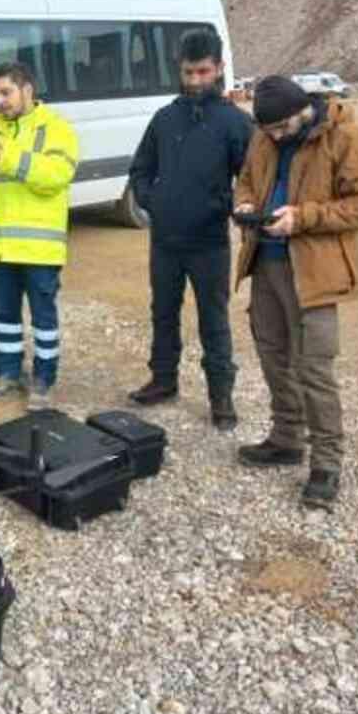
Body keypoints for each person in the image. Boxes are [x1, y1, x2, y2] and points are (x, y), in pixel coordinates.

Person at [232, 74, 358, 508]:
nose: (276, 137)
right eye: (268, 131)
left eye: (282, 128)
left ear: (303, 111)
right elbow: (247, 179)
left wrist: (303, 218)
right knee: (273, 357)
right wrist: (246, 203)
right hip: (266, 263)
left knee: (314, 369)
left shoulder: (348, 138)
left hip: (315, 274)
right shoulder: (264, 137)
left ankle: (326, 464)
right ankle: (286, 439)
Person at [126, 28, 254, 429]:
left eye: (203, 72)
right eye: (188, 72)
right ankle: (163, 380)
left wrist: (232, 207)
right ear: (178, 70)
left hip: (209, 243)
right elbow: (140, 169)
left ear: (219, 68)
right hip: (165, 241)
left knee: (213, 321)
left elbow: (251, 181)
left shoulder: (235, 123)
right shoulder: (164, 119)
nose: (196, 80)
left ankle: (221, 397)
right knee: (162, 313)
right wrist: (153, 201)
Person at [0, 63, 79, 410]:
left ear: (27, 90)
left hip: (40, 248)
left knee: (43, 319)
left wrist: (8, 158)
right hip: (2, 247)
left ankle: (44, 380)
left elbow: (56, 175)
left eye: (6, 92)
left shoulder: (57, 129)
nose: (0, 101)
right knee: (6, 318)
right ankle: (9, 375)